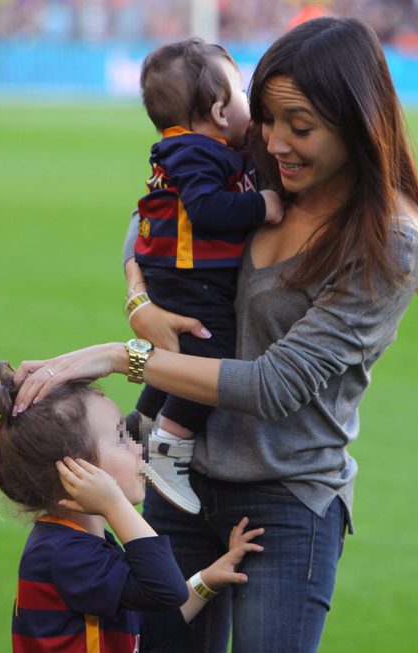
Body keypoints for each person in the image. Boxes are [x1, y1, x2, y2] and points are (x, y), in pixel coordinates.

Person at [11, 16, 418, 653]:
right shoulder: (260, 174)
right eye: (266, 119)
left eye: (301, 126)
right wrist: (139, 304)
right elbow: (145, 221)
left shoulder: (390, 240)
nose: (275, 141)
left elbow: (273, 385)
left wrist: (118, 355)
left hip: (287, 500)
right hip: (175, 484)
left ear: (357, 120)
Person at [0, 361, 264, 652]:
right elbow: (166, 590)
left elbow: (144, 630)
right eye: (121, 438)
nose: (138, 447)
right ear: (74, 470)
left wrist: (208, 579)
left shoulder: (78, 546)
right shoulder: (66, 554)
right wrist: (115, 505)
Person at [129, 38, 283, 516]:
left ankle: (139, 423)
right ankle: (169, 446)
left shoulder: (186, 149)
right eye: (240, 94)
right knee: (211, 356)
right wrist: (263, 204)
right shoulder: (197, 152)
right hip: (191, 277)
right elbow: (205, 208)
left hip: (172, 274)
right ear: (219, 109)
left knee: (178, 352)